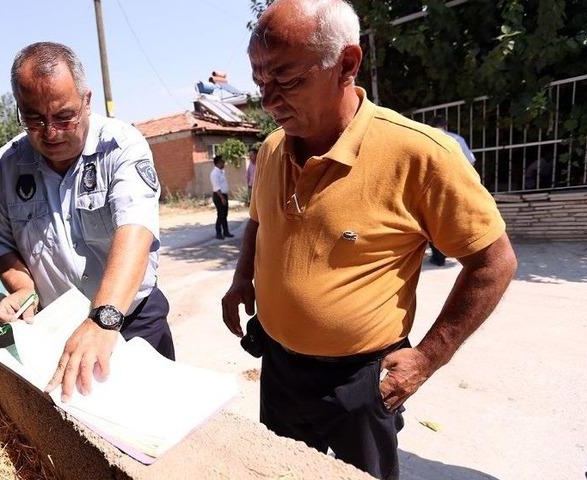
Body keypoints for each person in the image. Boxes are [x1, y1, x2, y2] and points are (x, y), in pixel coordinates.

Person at [221, 1, 517, 479]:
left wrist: (426, 358)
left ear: (347, 65)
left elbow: (494, 263)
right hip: (277, 368)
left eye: (287, 79)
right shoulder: (273, 148)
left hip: (361, 384)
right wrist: (241, 281)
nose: (269, 100)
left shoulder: (419, 155)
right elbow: (258, 221)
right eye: (260, 82)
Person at [0, 42, 174, 404]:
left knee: (151, 426)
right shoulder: (4, 167)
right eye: (34, 119)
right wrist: (23, 287)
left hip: (131, 318)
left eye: (64, 116)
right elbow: (1, 244)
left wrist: (104, 320)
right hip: (58, 327)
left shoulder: (121, 147)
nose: (51, 132)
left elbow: (135, 232)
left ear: (87, 100)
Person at [427, 115, 477, 266]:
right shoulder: (457, 139)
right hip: (457, 186)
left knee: (432, 223)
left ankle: (438, 257)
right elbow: (471, 161)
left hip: (433, 187)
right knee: (456, 220)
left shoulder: (424, 138)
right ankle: (461, 252)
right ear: (445, 126)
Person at [210, 155, 233, 239]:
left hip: (223, 195)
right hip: (219, 196)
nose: (224, 163)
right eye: (222, 161)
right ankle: (218, 233)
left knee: (225, 214)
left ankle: (226, 232)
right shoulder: (214, 173)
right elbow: (216, 187)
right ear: (218, 163)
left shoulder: (221, 172)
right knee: (220, 214)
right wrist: (222, 198)